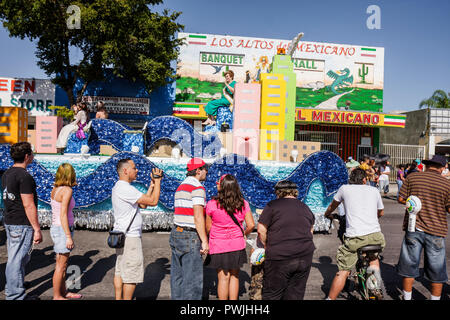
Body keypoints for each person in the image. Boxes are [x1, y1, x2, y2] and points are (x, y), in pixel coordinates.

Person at [324, 168, 385, 300]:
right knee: (374, 259)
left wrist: (327, 214)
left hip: (355, 237)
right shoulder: (374, 190)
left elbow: (332, 206)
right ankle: (375, 286)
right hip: (376, 235)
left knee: (344, 270)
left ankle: (330, 299)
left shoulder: (344, 189)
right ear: (364, 180)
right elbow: (380, 212)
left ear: (351, 180)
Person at [397, 154, 450, 300]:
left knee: (409, 265)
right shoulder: (447, 184)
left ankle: (407, 298)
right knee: (436, 269)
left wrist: (414, 204)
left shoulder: (412, 178)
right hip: (436, 230)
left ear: (427, 165)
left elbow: (401, 199)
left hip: (413, 228)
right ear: (443, 168)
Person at [111, 159, 162, 300]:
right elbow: (153, 202)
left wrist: (151, 187)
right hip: (130, 238)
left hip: (122, 235)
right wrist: (158, 181)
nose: (137, 170)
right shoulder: (125, 188)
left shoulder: (119, 187)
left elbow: (143, 205)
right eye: (134, 168)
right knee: (131, 275)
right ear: (125, 170)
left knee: (120, 270)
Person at [257, 180, 315, 300]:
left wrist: (266, 246)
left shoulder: (272, 205)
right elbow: (311, 230)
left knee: (272, 294)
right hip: (304, 255)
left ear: (278, 192)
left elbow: (261, 230)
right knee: (295, 294)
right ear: (295, 192)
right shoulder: (305, 207)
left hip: (280, 256)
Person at [1, 142, 43, 300]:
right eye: (31, 153)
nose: (32, 156)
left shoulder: (7, 173)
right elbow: (28, 204)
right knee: (16, 260)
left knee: (16, 258)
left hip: (10, 220)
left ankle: (14, 288)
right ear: (27, 156)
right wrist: (37, 229)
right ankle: (15, 295)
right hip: (21, 222)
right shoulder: (24, 176)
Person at [205, 174, 255, 300]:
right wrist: (243, 233)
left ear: (222, 186)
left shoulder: (211, 204)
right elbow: (251, 225)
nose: (216, 184)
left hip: (218, 245)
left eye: (218, 183)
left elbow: (208, 227)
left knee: (223, 278)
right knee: (235, 276)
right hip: (237, 244)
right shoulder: (243, 203)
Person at [170, 158, 209, 300]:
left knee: (178, 277)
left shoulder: (181, 186)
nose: (206, 173)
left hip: (176, 232)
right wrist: (205, 241)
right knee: (192, 282)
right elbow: (198, 217)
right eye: (206, 170)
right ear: (198, 171)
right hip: (190, 235)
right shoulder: (197, 188)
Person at [50, 163, 81, 300]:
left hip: (56, 228)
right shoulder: (67, 191)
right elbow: (63, 214)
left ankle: (63, 292)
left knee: (62, 264)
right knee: (61, 266)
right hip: (62, 230)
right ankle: (57, 295)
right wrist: (68, 236)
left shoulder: (56, 188)